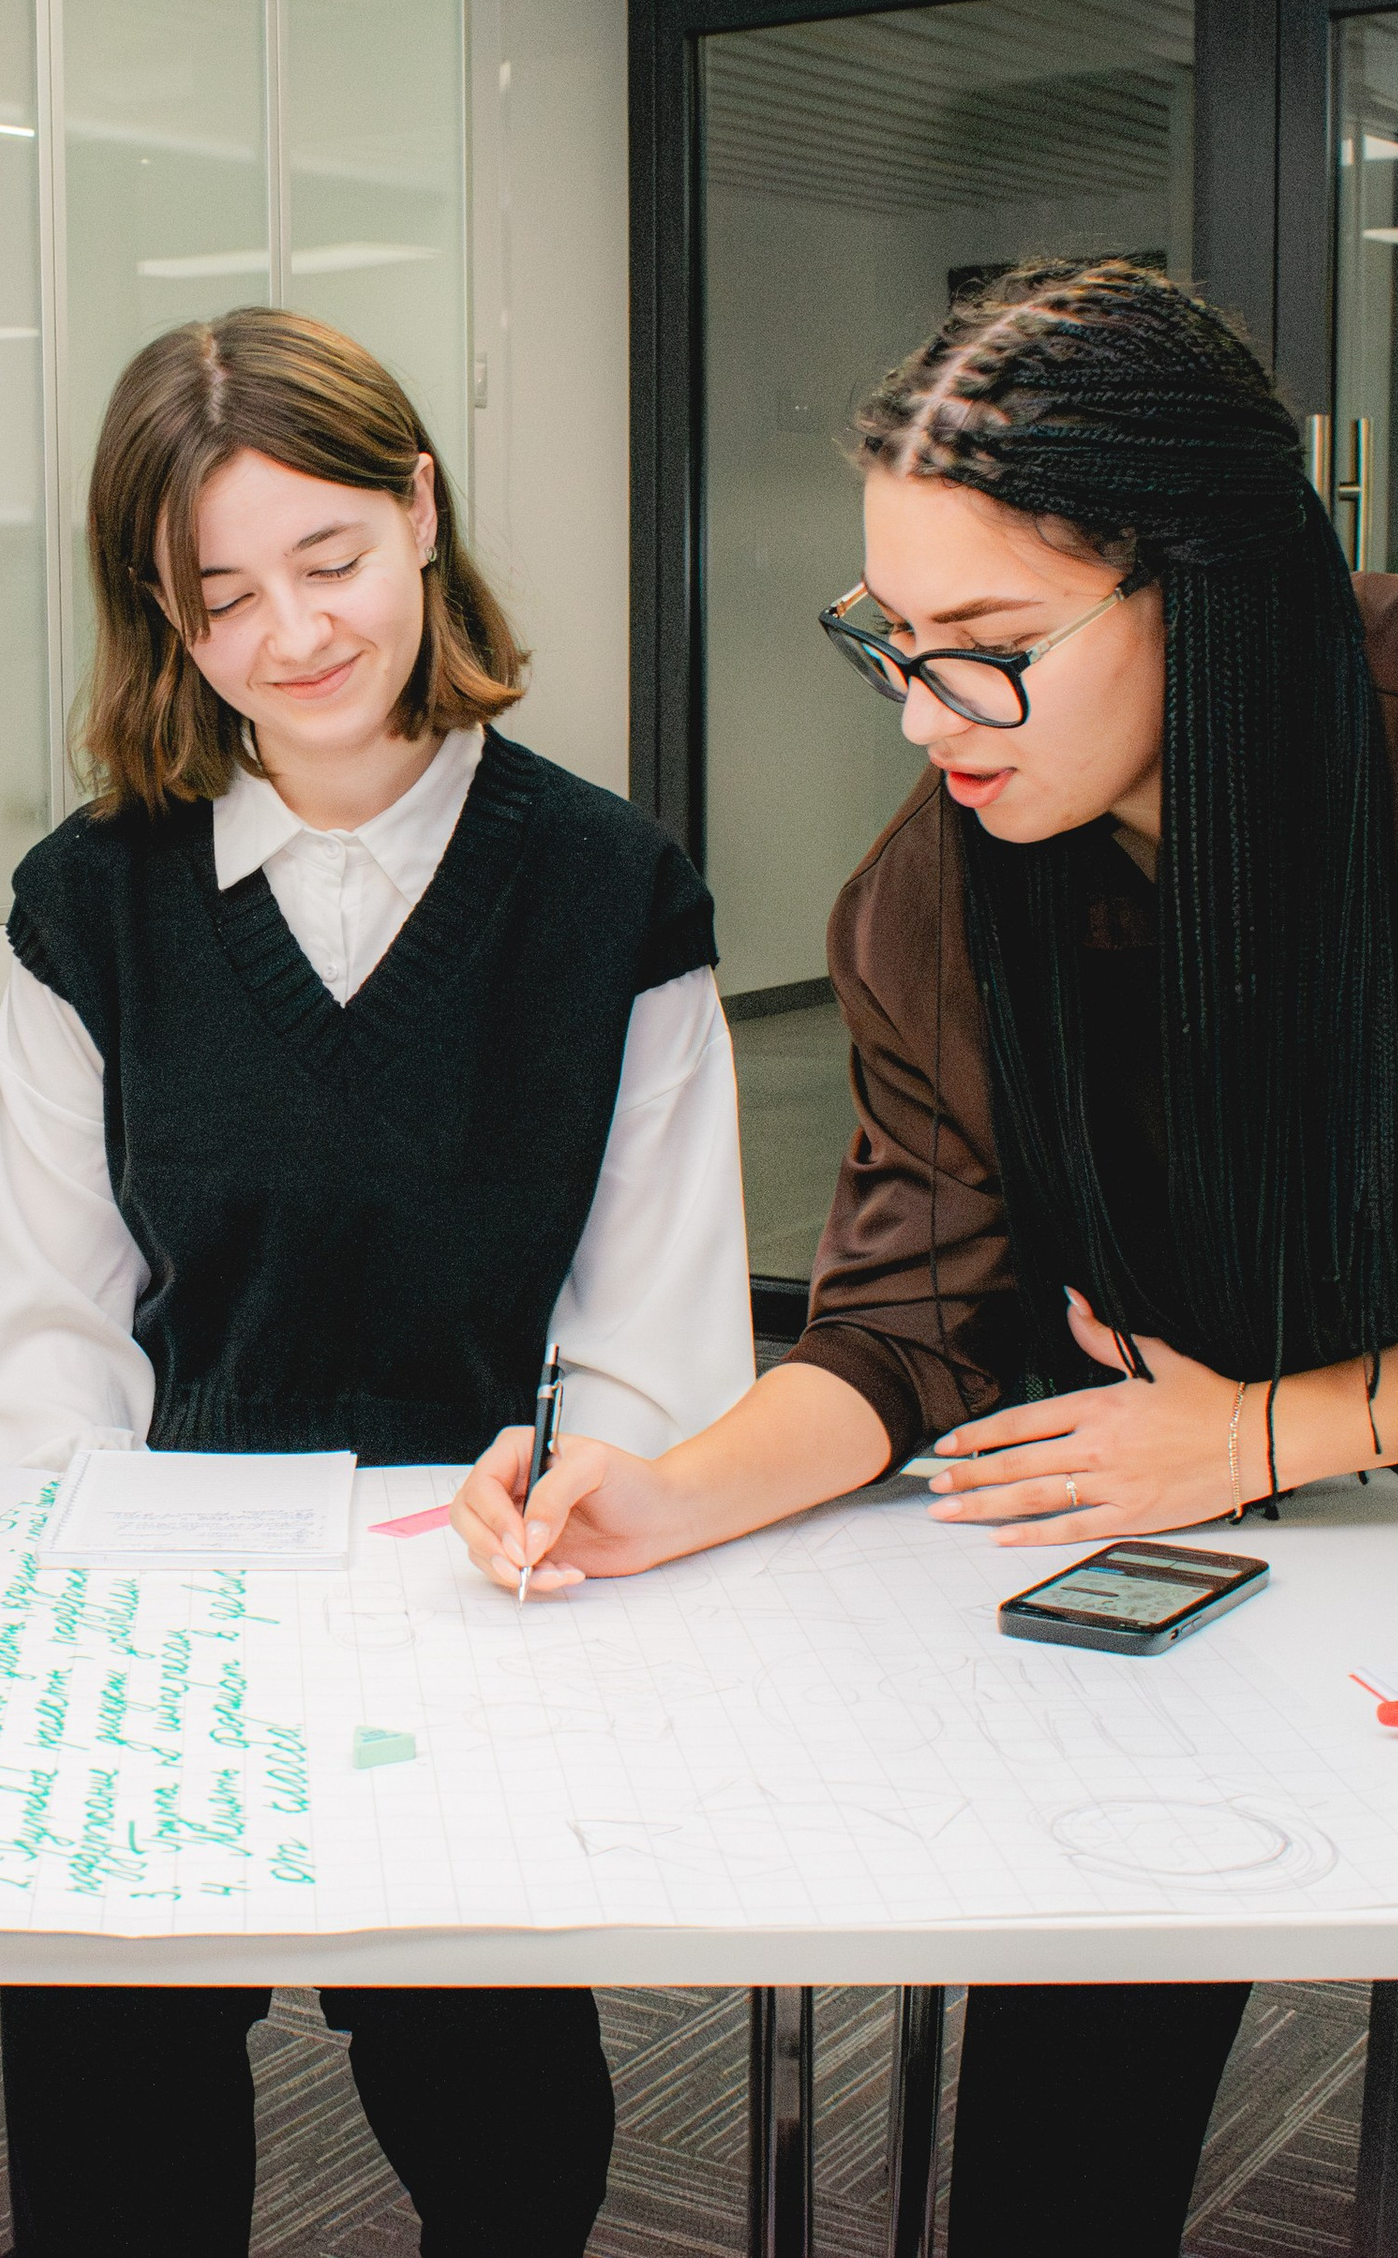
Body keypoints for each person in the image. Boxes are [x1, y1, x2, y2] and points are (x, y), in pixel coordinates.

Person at [451, 258, 1398, 2258]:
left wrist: (1268, 1429)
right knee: (1051, 2167)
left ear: (1198, 579)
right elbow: (903, 1321)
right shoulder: (936, 892)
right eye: (888, 638)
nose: (914, 707)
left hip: (1246, 1480)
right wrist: (665, 1493)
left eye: (981, 642)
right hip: (1219, 1562)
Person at [0, 307, 755, 2257]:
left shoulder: (604, 894)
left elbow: (653, 1332)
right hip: (155, 1600)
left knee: (506, 2147)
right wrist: (72, 1640)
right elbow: (34, 1333)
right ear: (157, 611)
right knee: (113, 2153)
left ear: (418, 511)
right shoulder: (92, 905)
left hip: (480, 1588)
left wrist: (567, 1516)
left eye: (329, 562)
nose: (290, 636)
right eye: (218, 597)